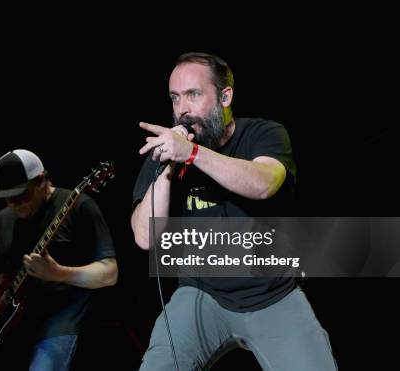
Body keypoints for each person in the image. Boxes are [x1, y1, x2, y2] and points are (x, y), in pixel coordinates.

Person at [131, 52, 337, 370]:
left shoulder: (263, 134)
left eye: (194, 95)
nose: (182, 109)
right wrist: (170, 167)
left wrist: (193, 153)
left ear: (225, 96)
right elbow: (145, 238)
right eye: (175, 98)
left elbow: (264, 183)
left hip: (272, 296)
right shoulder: (167, 152)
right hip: (201, 294)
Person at [0, 149, 118, 371]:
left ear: (41, 180)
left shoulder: (80, 205)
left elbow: (110, 273)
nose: (15, 204)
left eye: (22, 196)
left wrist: (59, 273)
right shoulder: (0, 222)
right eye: (8, 199)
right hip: (11, 329)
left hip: (62, 323)